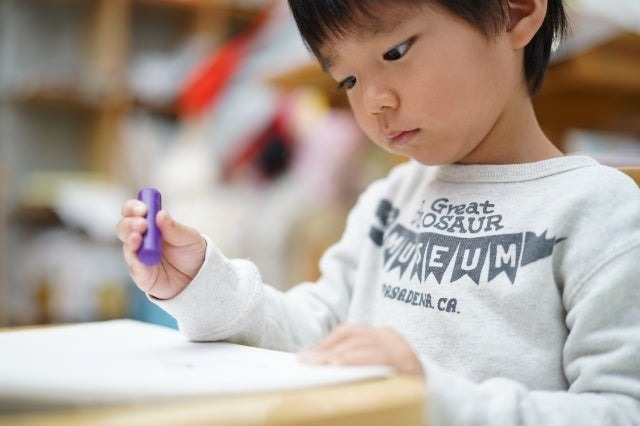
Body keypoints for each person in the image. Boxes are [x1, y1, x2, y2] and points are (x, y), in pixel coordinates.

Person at [117, 0, 640, 424]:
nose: (373, 102)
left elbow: (620, 409)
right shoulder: (390, 201)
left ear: (516, 13)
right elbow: (316, 334)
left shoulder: (600, 212)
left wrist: (426, 399)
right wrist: (206, 286)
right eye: (347, 80)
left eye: (395, 51)